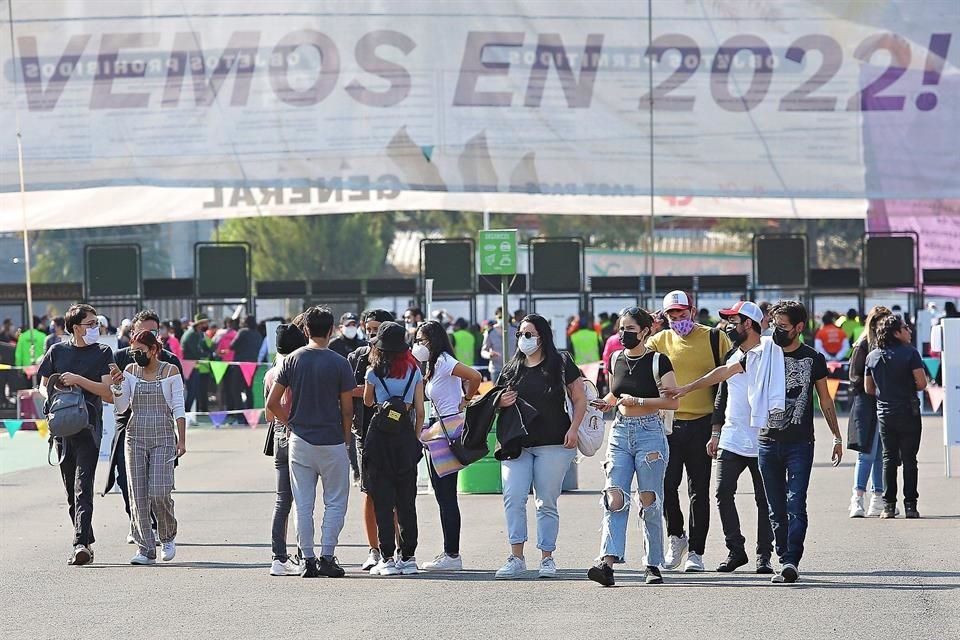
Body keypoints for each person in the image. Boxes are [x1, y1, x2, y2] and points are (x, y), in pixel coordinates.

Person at [665, 301, 774, 574]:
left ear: (748, 324)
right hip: (732, 437)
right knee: (723, 493)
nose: (727, 326)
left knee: (764, 499)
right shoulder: (733, 354)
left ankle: (764, 555)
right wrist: (715, 432)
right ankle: (736, 550)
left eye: (733, 322)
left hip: (763, 437)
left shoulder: (768, 352)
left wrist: (688, 387)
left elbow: (721, 374)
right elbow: (722, 393)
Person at [587, 307, 678, 587]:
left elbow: (673, 401)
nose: (623, 334)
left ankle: (652, 564)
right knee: (614, 497)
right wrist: (606, 403)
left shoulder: (659, 361)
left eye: (630, 329)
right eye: (621, 329)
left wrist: (638, 401)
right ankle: (607, 563)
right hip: (620, 431)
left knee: (649, 500)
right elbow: (615, 393)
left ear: (645, 331)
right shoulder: (616, 358)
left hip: (650, 432)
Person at [494, 314, 585, 579]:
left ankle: (547, 557)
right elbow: (495, 400)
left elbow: (579, 399)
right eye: (520, 334)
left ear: (542, 336)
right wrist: (500, 401)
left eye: (528, 334)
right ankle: (516, 557)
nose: (523, 339)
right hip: (517, 445)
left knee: (546, 501)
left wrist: (574, 429)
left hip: (554, 443)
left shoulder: (561, 363)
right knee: (513, 497)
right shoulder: (511, 368)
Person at [646, 290, 731, 572]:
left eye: (681, 313)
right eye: (671, 315)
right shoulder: (658, 340)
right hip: (667, 424)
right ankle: (676, 536)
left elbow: (729, 375)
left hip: (703, 423)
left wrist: (720, 425)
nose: (677, 319)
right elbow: (638, 366)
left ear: (692, 311)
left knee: (699, 489)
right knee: (666, 485)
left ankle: (696, 551)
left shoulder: (714, 337)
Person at [266, 306, 353, 578]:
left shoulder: (292, 360)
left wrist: (290, 423)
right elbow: (347, 409)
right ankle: (327, 556)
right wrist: (346, 438)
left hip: (300, 440)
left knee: (302, 503)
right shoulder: (340, 362)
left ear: (305, 330)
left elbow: (272, 403)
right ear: (332, 330)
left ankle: (307, 559)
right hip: (332, 440)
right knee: (335, 501)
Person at [761, 300, 843, 583]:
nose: (777, 330)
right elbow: (730, 373)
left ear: (798, 327)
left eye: (783, 326)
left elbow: (825, 399)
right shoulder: (764, 354)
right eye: (775, 325)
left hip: (800, 443)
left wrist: (836, 435)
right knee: (775, 507)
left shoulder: (813, 358)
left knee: (796, 502)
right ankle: (782, 555)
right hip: (767, 441)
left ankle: (791, 560)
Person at [37, 303, 115, 566]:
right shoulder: (57, 351)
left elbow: (107, 393)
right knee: (71, 489)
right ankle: (86, 541)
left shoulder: (103, 352)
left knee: (84, 486)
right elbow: (42, 385)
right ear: (75, 327)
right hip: (62, 428)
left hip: (89, 428)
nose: (95, 328)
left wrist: (78, 380)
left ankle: (80, 544)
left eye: (96, 323)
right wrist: (53, 395)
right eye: (90, 324)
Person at [104, 310, 184, 547]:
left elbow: (179, 403)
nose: (137, 354)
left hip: (162, 432)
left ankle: (164, 532)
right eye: (143, 331)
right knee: (133, 488)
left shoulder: (170, 364)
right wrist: (117, 387)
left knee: (159, 490)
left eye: (153, 331)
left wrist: (181, 439)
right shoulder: (123, 362)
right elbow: (119, 403)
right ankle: (143, 540)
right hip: (131, 431)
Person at [414, 321, 482, 571]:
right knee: (443, 494)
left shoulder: (444, 361)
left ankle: (452, 554)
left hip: (447, 428)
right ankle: (450, 552)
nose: (418, 345)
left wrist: (466, 399)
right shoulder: (433, 364)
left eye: (421, 340)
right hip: (438, 428)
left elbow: (475, 376)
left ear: (433, 340)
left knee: (446, 495)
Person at [361, 321, 426, 576]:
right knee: (407, 499)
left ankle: (386, 557)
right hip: (405, 437)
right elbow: (420, 411)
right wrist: (415, 438)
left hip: (379, 438)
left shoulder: (373, 372)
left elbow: (368, 402)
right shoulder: (414, 370)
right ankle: (408, 557)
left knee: (383, 499)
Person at [865, 315, 927, 519]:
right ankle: (910, 506)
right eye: (905, 327)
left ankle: (888, 506)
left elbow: (868, 388)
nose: (909, 330)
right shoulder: (910, 353)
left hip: (885, 413)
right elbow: (921, 383)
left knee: (888, 458)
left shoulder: (873, 356)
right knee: (910, 459)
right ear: (896, 332)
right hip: (908, 412)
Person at [347, 309, 394, 571]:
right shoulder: (357, 356)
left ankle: (398, 550)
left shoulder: (400, 357)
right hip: (365, 432)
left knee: (398, 494)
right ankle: (374, 549)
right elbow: (347, 390)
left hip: (396, 433)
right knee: (370, 492)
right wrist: (369, 388)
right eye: (369, 328)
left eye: (377, 328)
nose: (372, 333)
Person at [263, 323, 308, 576]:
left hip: (279, 436)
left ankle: (278, 557)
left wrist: (283, 420)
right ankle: (304, 554)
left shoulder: (271, 373)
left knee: (282, 500)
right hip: (300, 434)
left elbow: (269, 415)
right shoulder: (298, 370)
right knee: (303, 500)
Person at [846, 306, 893, 518]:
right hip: (866, 404)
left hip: (884, 403)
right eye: (881, 322)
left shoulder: (888, 344)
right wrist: (874, 386)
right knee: (866, 453)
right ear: (873, 323)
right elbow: (854, 378)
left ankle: (878, 497)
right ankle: (857, 498)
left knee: (881, 454)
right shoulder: (863, 344)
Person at [181, 314, 213, 414]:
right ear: (199, 324)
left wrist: (210, 350)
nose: (207, 325)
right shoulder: (192, 334)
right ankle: (186, 413)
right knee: (192, 391)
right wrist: (208, 354)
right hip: (190, 366)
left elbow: (204, 346)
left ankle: (188, 413)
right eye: (205, 323)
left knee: (194, 391)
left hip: (194, 365)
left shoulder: (198, 333)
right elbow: (196, 352)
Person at [229, 315, 263, 410]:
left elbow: (232, 346)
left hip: (240, 364)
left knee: (236, 389)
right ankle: (250, 413)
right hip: (252, 364)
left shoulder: (243, 332)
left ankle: (239, 414)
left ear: (245, 322)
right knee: (248, 389)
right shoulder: (258, 334)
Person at [481, 308, 517, 382]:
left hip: (513, 368)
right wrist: (489, 354)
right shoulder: (490, 332)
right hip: (496, 369)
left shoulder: (516, 330)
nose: (502, 319)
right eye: (500, 317)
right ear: (496, 317)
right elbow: (483, 351)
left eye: (505, 316)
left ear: (508, 317)